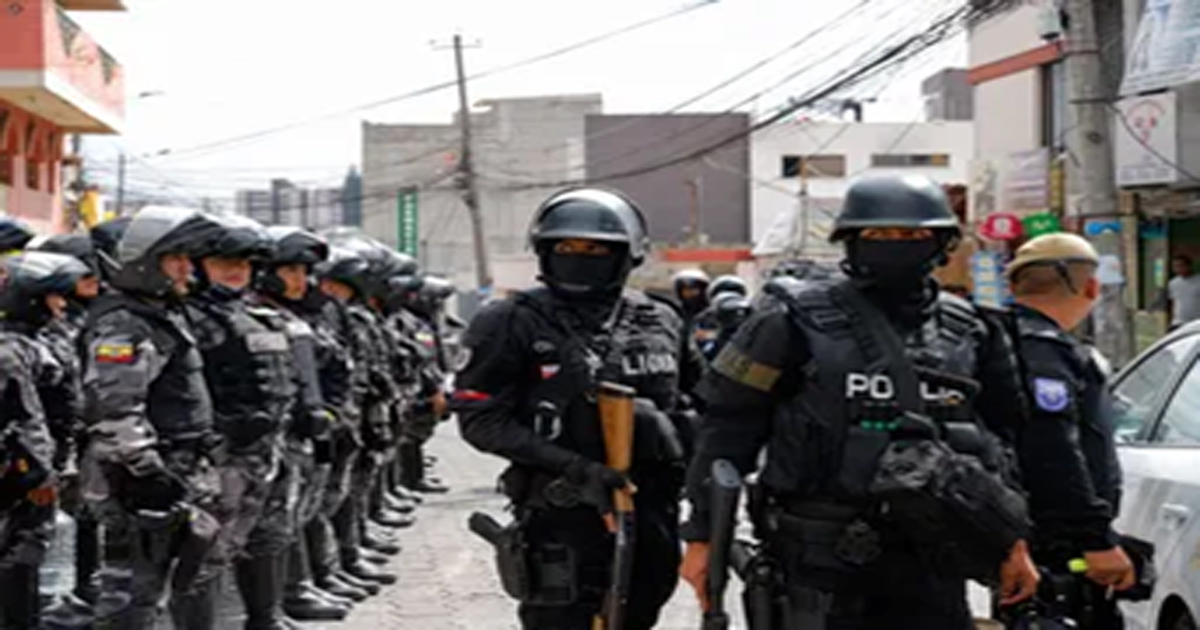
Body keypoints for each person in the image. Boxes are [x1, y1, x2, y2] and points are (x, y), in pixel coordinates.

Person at [679, 175, 1040, 629]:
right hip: (815, 555)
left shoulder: (971, 330)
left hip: (932, 556)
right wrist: (703, 538)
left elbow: (1004, 444)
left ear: (943, 243)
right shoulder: (789, 321)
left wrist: (1010, 541)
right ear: (850, 241)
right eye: (878, 234)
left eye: (912, 234)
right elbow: (728, 431)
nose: (896, 245)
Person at [454, 187, 698, 629]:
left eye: (596, 249)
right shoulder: (510, 320)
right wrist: (577, 468)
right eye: (566, 247)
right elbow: (481, 419)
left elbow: (701, 402)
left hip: (651, 508)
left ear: (627, 255)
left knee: (640, 614)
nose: (580, 258)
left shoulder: (661, 319)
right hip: (561, 510)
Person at [80, 207, 224, 630]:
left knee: (183, 579)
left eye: (186, 257)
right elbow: (114, 409)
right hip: (139, 481)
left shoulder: (161, 315)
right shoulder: (123, 325)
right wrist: (147, 473)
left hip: (178, 467)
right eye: (174, 258)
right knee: (131, 594)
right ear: (142, 262)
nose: (186, 268)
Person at [1003, 233, 1134, 628]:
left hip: (1018, 541)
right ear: (1091, 287)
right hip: (1055, 548)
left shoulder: (996, 343)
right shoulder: (1046, 352)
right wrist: (1094, 539)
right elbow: (1051, 448)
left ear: (1014, 287)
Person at [185, 215, 302, 630]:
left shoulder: (256, 314)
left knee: (268, 535)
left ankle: (265, 619)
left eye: (244, 263)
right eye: (223, 263)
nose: (236, 270)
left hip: (267, 450)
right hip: (223, 455)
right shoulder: (190, 318)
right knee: (208, 550)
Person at [256, 226, 367, 620]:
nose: (300, 280)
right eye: (290, 271)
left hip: (308, 429)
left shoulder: (308, 314)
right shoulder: (255, 316)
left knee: (300, 510)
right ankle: (289, 594)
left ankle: (308, 582)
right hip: (271, 436)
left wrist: (329, 412)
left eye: (304, 271)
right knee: (276, 520)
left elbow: (335, 364)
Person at [0, 251, 78, 629]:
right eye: (54, 296)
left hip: (32, 469)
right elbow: (26, 418)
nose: (62, 304)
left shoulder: (35, 341)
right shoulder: (10, 350)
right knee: (20, 555)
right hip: (22, 474)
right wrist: (43, 475)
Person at [1166, 254, 1200, 330]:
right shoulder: (1173, 283)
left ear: (1189, 266)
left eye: (1181, 266)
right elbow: (1174, 302)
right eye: (1175, 266)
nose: (1178, 269)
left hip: (1196, 322)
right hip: (1178, 322)